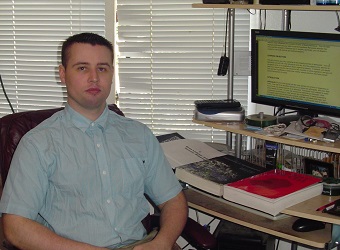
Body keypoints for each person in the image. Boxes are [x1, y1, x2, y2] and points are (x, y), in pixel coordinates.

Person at [0, 32, 188, 250]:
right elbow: (15, 226)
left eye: (102, 68)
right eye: (82, 68)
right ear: (62, 74)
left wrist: (162, 243)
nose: (94, 78)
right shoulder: (38, 144)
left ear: (111, 73)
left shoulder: (139, 135)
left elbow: (172, 200)